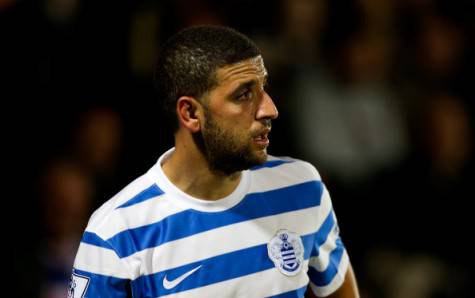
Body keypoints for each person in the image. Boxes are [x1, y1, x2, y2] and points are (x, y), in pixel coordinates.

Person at [69, 25, 359, 298]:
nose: (269, 109)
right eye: (244, 94)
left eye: (263, 88)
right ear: (191, 114)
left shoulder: (302, 188)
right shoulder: (116, 233)